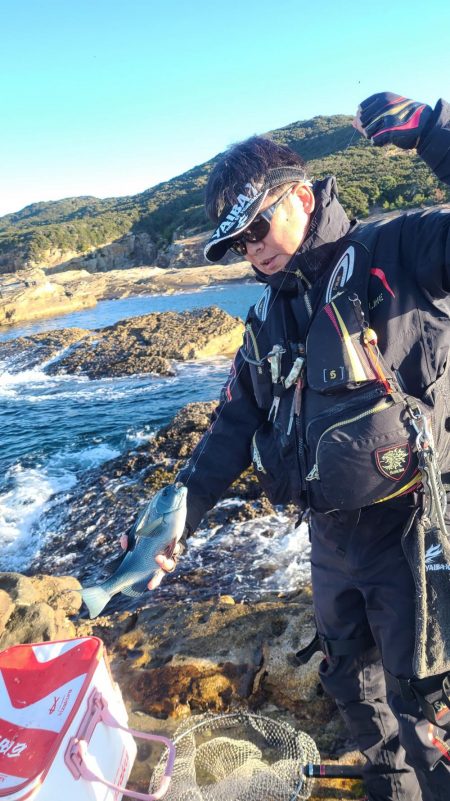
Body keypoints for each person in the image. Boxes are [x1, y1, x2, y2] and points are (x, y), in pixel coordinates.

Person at [124, 92, 450, 800]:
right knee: (353, 689)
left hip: (413, 531)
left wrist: (435, 133)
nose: (253, 249)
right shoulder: (270, 316)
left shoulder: (401, 250)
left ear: (301, 195)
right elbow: (232, 426)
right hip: (329, 543)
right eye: (238, 242)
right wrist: (180, 514)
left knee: (427, 706)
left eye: (258, 227)